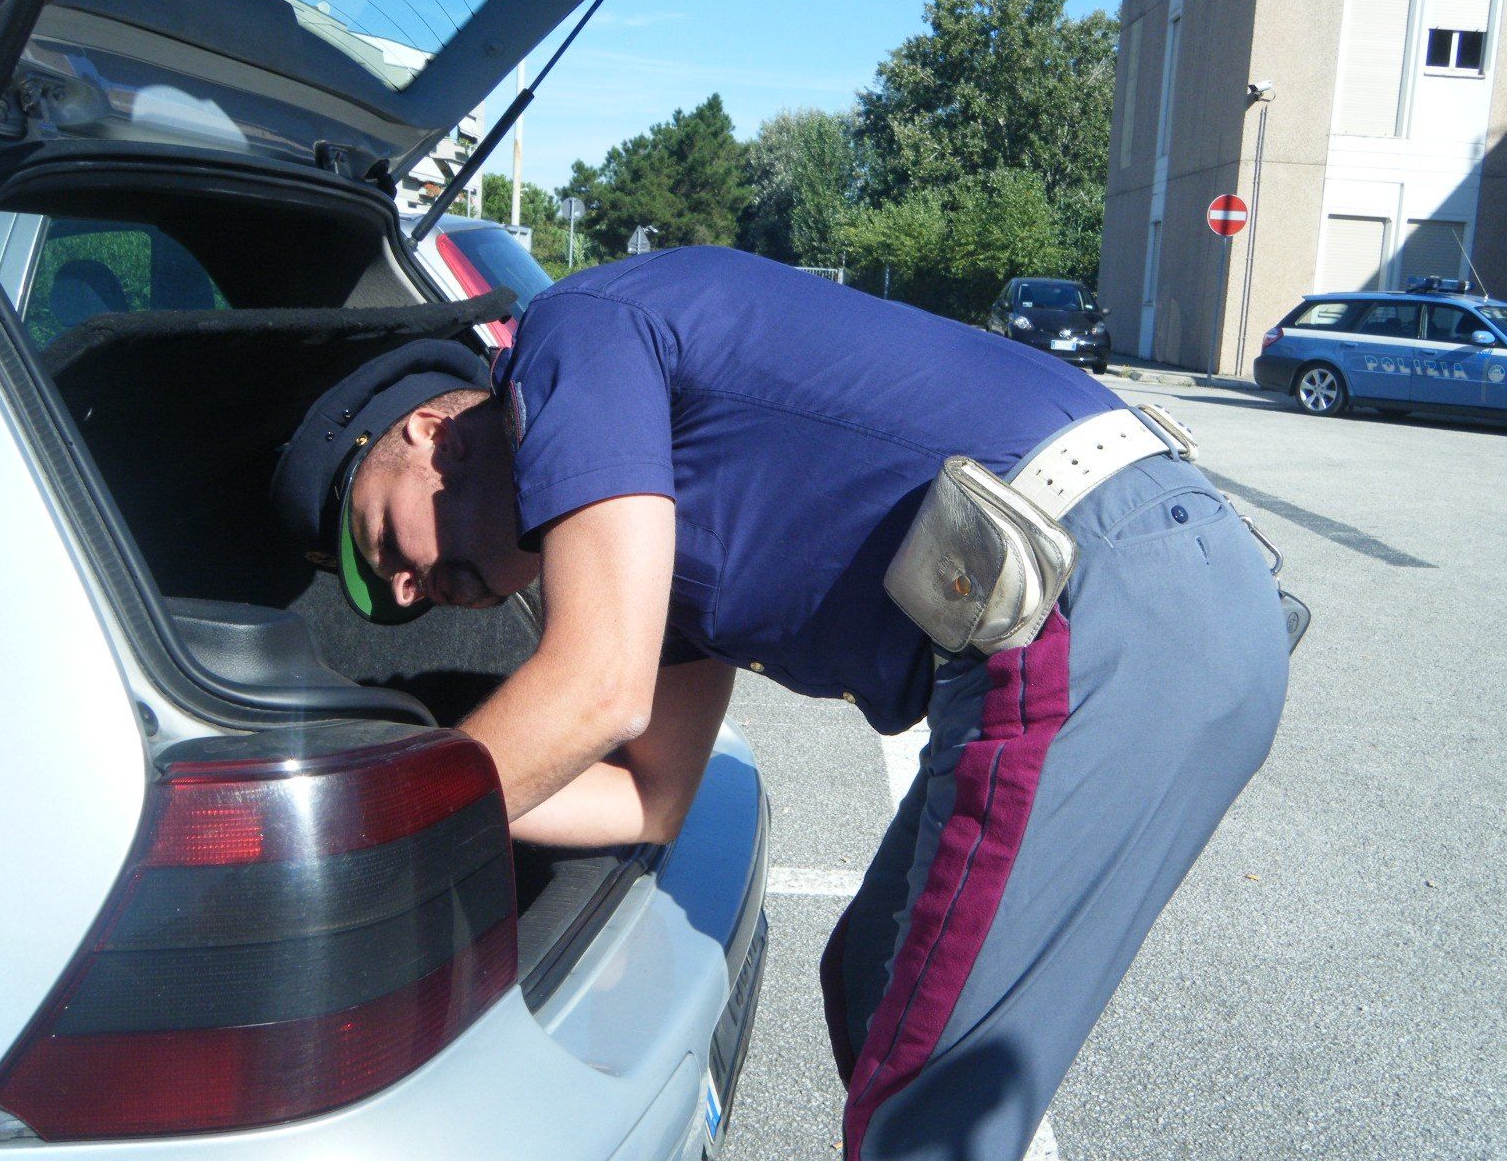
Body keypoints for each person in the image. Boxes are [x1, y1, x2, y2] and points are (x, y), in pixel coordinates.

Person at [272, 245, 1289, 1160]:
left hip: (1094, 596)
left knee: (927, 1120)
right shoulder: (642, 546)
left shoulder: (577, 331)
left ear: (431, 433)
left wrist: (361, 827)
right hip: (1133, 606)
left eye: (382, 541)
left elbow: (595, 692)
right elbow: (649, 798)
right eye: (387, 599)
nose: (404, 589)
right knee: (874, 980)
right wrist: (458, 769)